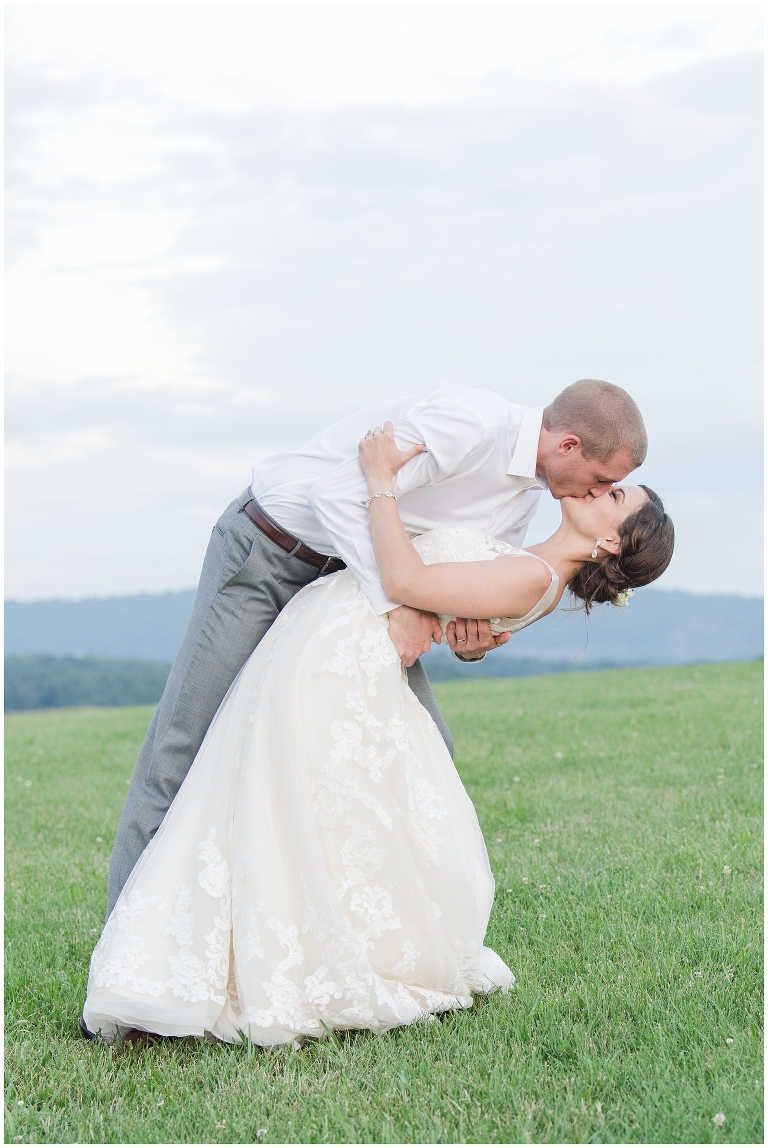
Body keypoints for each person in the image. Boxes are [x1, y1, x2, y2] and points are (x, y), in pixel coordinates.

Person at [82, 422, 673, 1046]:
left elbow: (407, 584)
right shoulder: (527, 550)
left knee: (284, 807)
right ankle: (200, 953)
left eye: (615, 496)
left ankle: (247, 960)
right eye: (609, 483)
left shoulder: (535, 578)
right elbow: (446, 598)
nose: (603, 489)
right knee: (276, 802)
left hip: (340, 656)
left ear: (611, 539)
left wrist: (382, 480)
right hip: (328, 640)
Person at [105, 378, 648, 924]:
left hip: (347, 594)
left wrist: (471, 644)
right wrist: (396, 604)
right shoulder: (472, 424)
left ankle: (351, 939)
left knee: (424, 747)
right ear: (569, 446)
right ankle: (122, 958)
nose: (596, 493)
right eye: (603, 481)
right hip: (269, 555)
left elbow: (463, 584)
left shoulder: (530, 493)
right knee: (185, 744)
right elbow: (336, 495)